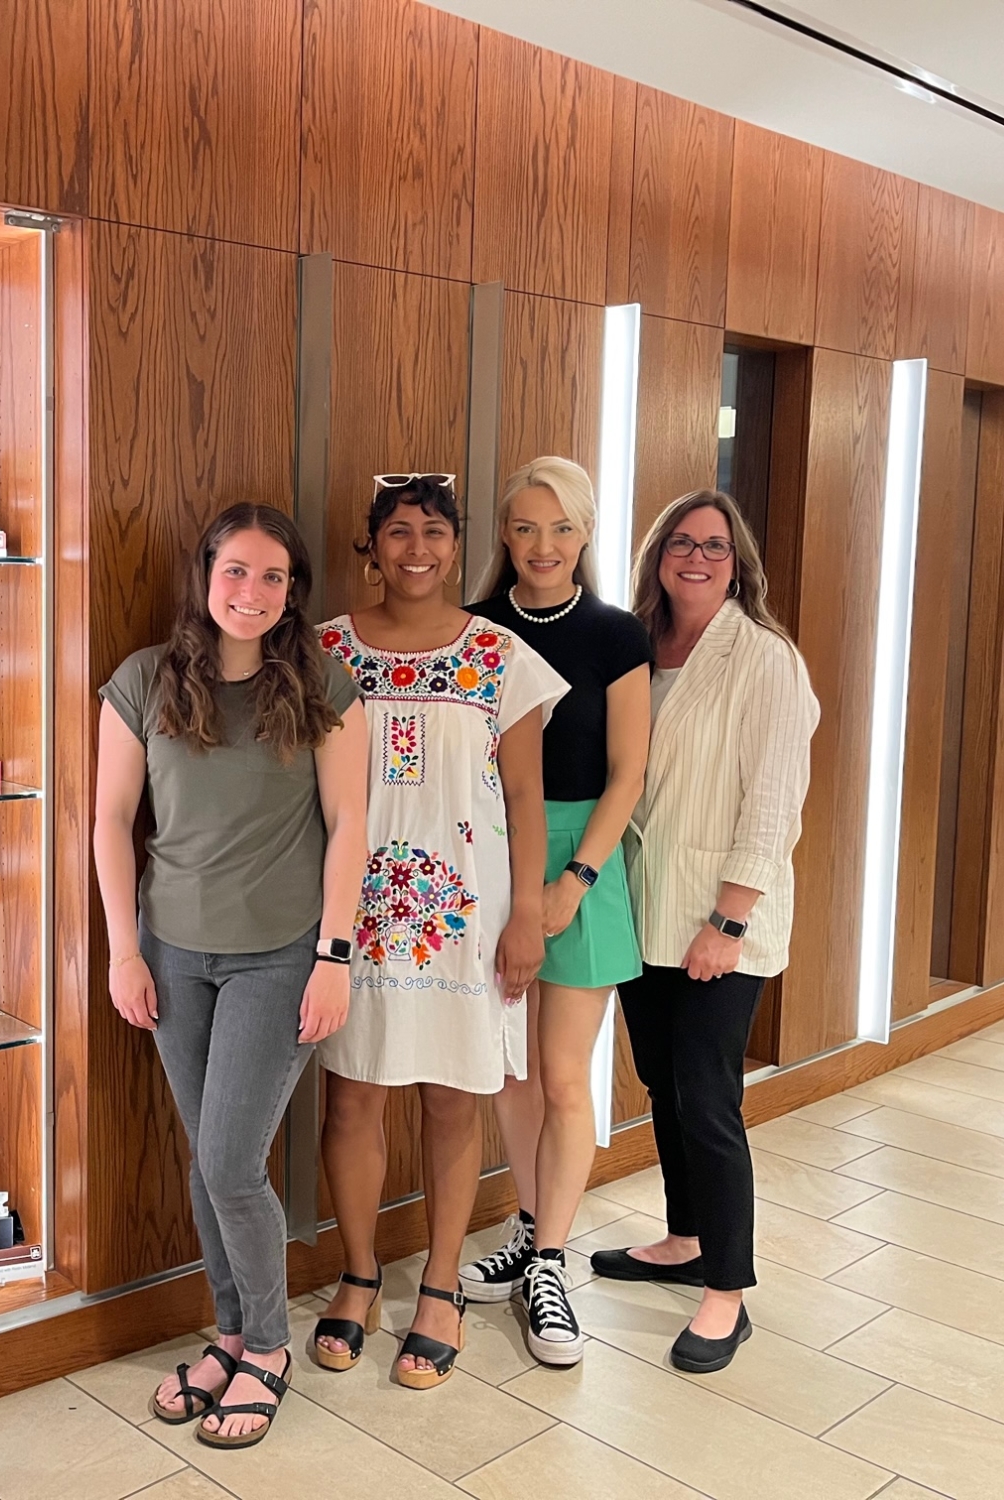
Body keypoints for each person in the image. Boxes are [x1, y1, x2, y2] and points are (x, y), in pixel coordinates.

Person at [94, 502, 369, 1448]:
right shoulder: (142, 681)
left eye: (273, 577)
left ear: (293, 593)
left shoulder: (325, 683)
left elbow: (351, 832)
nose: (250, 593)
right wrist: (124, 951)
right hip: (171, 951)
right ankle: (230, 1332)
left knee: (228, 1163)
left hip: (281, 953)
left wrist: (334, 958)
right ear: (205, 574)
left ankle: (270, 1347)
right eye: (236, 572)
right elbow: (109, 823)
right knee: (206, 1160)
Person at [310, 474, 565, 1390]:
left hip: (469, 911)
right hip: (357, 911)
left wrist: (529, 912)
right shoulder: (325, 650)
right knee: (352, 1097)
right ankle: (358, 1276)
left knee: (453, 1098)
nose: (416, 548)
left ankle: (444, 1287)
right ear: (370, 545)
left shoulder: (499, 654)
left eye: (434, 532)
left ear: (459, 546)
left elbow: (529, 795)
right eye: (398, 531)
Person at [588, 489, 818, 1374]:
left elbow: (775, 800)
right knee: (662, 1084)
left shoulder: (764, 658)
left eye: (714, 545)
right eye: (679, 542)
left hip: (719, 920)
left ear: (738, 561)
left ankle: (727, 1291)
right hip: (642, 908)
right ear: (657, 555)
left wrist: (729, 919)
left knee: (709, 1101)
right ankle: (685, 1240)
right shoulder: (641, 649)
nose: (696, 557)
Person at [460, 458, 649, 1366]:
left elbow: (628, 776)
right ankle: (531, 1225)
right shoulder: (476, 630)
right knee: (510, 1073)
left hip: (584, 864)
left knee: (565, 1076)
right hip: (488, 859)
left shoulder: (618, 635)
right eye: (527, 528)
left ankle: (552, 1261)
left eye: (561, 528)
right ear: (506, 536)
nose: (543, 546)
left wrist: (573, 880)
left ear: (585, 535)